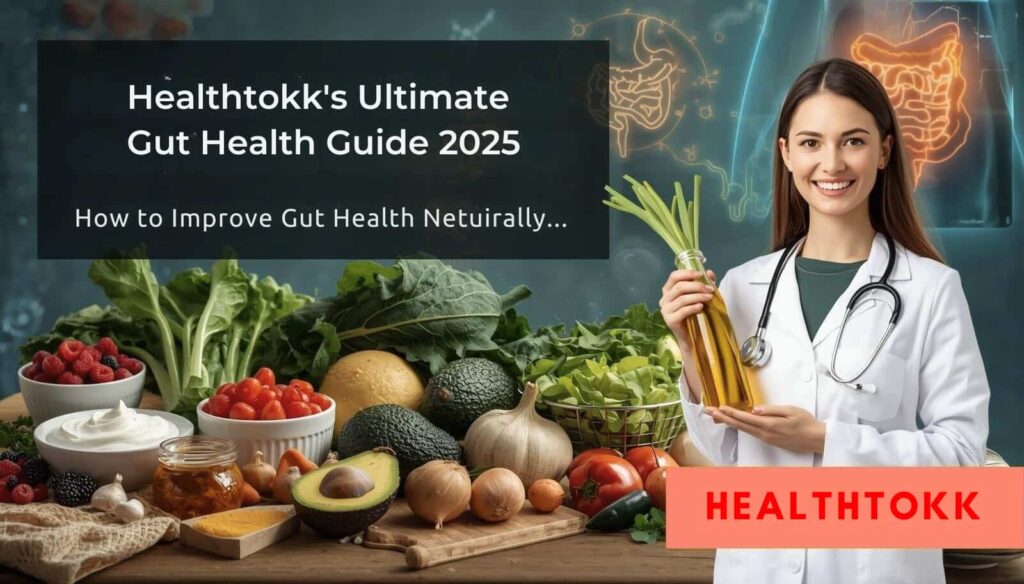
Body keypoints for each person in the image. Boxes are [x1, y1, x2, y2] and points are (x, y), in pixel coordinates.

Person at [659, 58, 990, 583]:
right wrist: (690, 346)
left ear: (884, 151)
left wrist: (825, 439)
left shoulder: (931, 289)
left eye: (853, 141)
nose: (831, 163)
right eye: (811, 142)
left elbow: (962, 457)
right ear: (786, 154)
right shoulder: (741, 288)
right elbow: (725, 451)